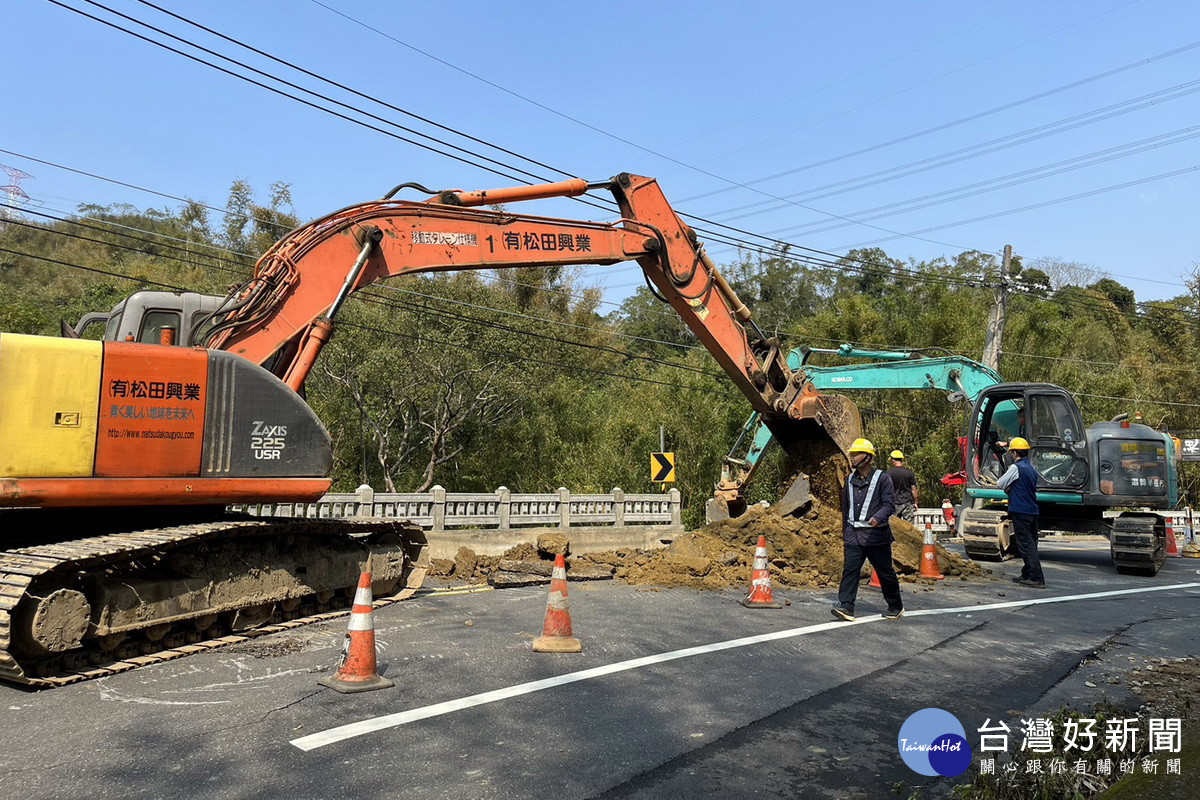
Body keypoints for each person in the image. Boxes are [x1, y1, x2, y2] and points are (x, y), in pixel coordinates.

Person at [832, 438, 903, 621]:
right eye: (852, 454)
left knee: (884, 571)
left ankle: (895, 605)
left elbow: (889, 505)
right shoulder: (848, 480)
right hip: (854, 535)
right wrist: (846, 533)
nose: (852, 458)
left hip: (876, 536)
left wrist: (878, 518)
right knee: (850, 570)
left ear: (867, 458)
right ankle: (846, 606)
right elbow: (846, 509)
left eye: (856, 454)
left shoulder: (883, 479)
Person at [996, 436, 1045, 588]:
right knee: (1031, 543)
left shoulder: (1015, 468)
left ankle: (1036, 578)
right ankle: (1027, 573)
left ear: (1015, 453)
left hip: (1020, 510)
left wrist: (1009, 487)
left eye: (1011, 453)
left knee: (1025, 545)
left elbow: (1000, 484)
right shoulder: (1031, 469)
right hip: (1032, 510)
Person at [886, 449, 919, 522]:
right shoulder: (909, 473)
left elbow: (885, 490)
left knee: (892, 526)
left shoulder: (888, 473)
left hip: (893, 504)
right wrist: (916, 503)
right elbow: (914, 490)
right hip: (907, 504)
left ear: (893, 460)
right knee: (909, 527)